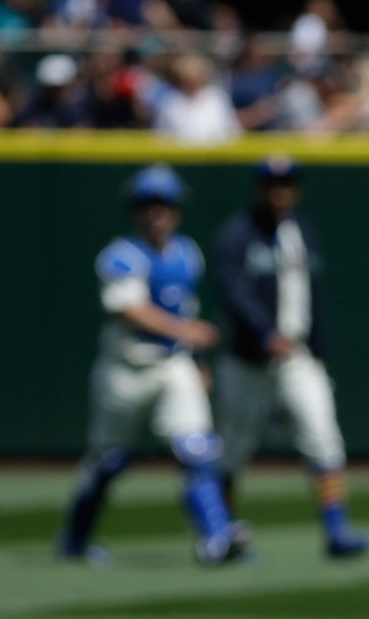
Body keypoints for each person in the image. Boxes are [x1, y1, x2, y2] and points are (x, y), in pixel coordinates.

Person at [57, 164, 248, 567]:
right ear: (135, 210)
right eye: (148, 204)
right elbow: (128, 308)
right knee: (106, 461)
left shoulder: (186, 252)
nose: (157, 212)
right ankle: (74, 540)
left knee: (199, 450)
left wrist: (197, 360)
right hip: (125, 369)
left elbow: (186, 306)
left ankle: (217, 538)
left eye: (164, 204)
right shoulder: (120, 255)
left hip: (172, 366)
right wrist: (186, 331)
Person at [213, 156, 369, 559]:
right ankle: (224, 535)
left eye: (286, 184)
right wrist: (264, 332)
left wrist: (320, 350)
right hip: (247, 361)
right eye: (272, 184)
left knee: (325, 441)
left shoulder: (303, 230)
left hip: (298, 357)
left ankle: (337, 532)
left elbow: (314, 298)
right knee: (232, 449)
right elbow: (232, 292)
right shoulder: (237, 235)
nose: (279, 192)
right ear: (258, 188)